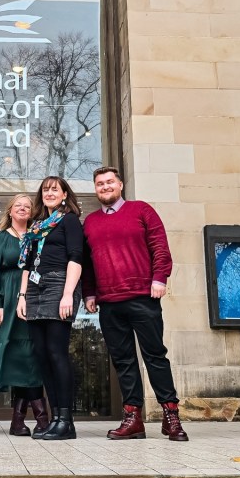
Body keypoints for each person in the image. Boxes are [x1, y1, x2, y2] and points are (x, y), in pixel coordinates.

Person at [82, 166, 189, 442]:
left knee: (155, 356)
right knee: (124, 361)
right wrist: (89, 293)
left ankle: (171, 415)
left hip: (143, 297)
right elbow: (88, 263)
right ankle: (133, 418)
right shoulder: (90, 222)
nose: (104, 187)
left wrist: (159, 278)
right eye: (99, 184)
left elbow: (160, 247)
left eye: (109, 182)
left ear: (120, 185)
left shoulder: (142, 210)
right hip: (109, 303)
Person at [16, 177, 84, 441]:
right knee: (42, 356)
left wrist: (68, 294)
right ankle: (54, 418)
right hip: (34, 288)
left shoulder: (69, 220)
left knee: (57, 353)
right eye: (45, 189)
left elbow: (76, 257)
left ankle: (66, 421)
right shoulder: (36, 226)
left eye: (54, 189)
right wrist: (22, 296)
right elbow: (27, 263)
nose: (49, 193)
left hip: (59, 285)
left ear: (65, 194)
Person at [0, 194, 50, 437]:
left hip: (36, 297)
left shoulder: (38, 236)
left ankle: (19, 422)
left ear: (32, 212)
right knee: (17, 356)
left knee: (33, 355)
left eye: (27, 206)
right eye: (18, 206)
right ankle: (41, 419)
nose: (22, 209)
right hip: (10, 301)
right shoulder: (1, 239)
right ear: (10, 211)